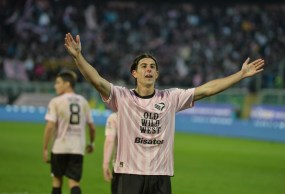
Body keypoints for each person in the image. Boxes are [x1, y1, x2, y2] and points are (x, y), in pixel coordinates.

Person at [64, 33, 265, 194]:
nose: (149, 69)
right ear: (134, 73)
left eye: (153, 67)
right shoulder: (122, 97)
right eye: (144, 66)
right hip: (128, 173)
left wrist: (240, 75)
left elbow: (207, 89)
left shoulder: (171, 98)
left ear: (157, 74)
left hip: (160, 176)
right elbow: (96, 81)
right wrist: (78, 57)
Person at [43, 70, 96, 194]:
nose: (55, 85)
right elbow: (92, 127)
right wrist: (92, 143)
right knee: (74, 183)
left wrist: (45, 148)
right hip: (77, 148)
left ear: (67, 84)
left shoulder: (56, 101)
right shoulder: (83, 101)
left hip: (59, 147)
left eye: (58, 83)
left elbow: (50, 126)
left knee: (57, 181)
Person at [102, 112, 118, 193]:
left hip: (122, 168)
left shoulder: (115, 116)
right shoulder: (148, 114)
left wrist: (105, 164)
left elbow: (109, 140)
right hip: (151, 169)